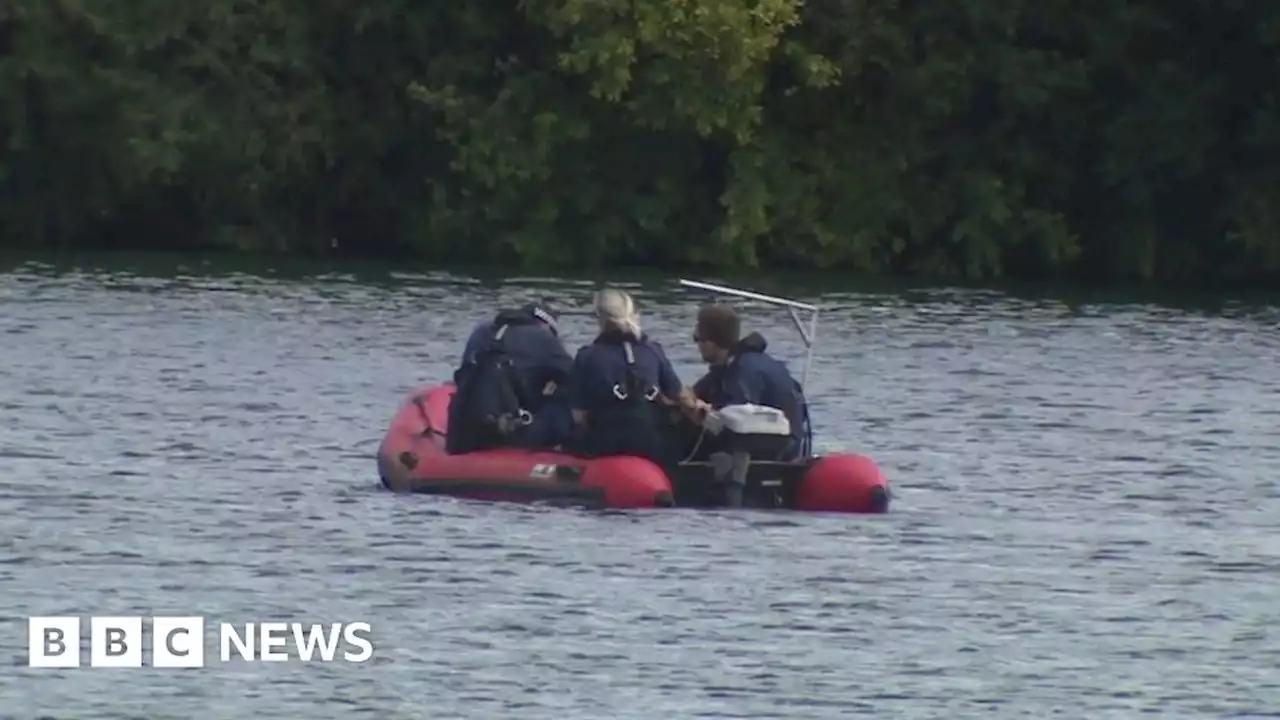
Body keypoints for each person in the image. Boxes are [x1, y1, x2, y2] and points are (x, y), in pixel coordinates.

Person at [688, 303, 810, 506]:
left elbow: (734, 420)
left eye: (698, 339)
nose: (697, 345)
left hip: (773, 454)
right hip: (787, 445)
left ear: (714, 340)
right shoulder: (741, 363)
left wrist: (698, 412)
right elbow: (700, 390)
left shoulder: (743, 371)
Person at [567, 288, 701, 465]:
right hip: (650, 444)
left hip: (605, 445)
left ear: (599, 319)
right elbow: (680, 396)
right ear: (634, 314)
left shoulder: (587, 356)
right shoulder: (653, 350)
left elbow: (578, 416)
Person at [446, 301, 574, 454]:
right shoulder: (543, 338)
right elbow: (578, 378)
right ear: (546, 326)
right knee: (561, 402)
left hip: (462, 435)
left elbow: (462, 376)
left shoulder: (481, 331)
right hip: (507, 435)